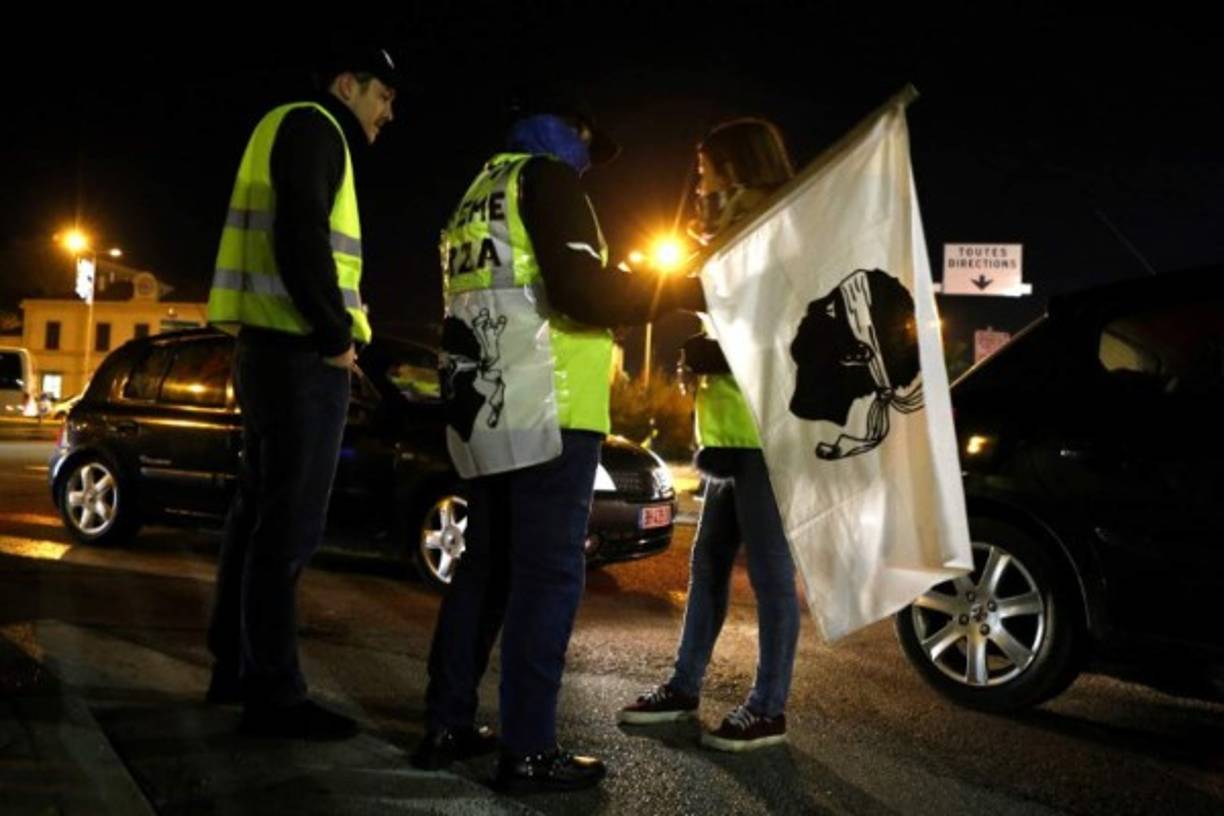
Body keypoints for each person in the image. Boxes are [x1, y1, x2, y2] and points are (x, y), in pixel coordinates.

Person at [411, 85, 702, 792]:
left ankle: (447, 724)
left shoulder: (476, 193)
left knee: (486, 570)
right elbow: (584, 294)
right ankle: (529, 749)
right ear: (566, 130)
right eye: (585, 147)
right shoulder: (545, 179)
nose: (586, 166)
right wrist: (680, 291)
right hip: (552, 407)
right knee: (546, 579)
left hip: (485, 407)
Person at [204, 45, 400, 741]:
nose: (388, 113)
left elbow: (292, 235)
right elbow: (302, 236)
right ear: (347, 84)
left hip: (265, 348)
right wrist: (333, 333)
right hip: (297, 355)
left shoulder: (283, 125)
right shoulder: (316, 127)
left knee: (257, 516)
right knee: (288, 528)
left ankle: (236, 667)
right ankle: (274, 695)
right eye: (383, 97)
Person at [618, 118, 802, 751]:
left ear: (736, 168)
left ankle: (769, 706)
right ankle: (683, 685)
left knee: (772, 573)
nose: (697, 183)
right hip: (726, 430)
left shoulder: (775, 233)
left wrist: (717, 354)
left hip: (764, 432)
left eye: (704, 170)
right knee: (708, 562)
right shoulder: (730, 234)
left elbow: (787, 329)